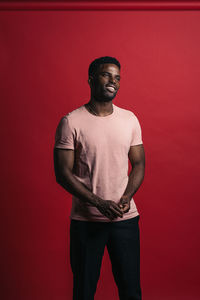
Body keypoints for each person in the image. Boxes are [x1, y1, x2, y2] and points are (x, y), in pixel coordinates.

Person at [53, 56, 145, 300]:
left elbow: (138, 164)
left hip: (125, 220)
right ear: (91, 79)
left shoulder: (130, 119)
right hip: (86, 221)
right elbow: (62, 174)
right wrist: (99, 202)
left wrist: (126, 197)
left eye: (117, 77)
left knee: (131, 289)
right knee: (84, 291)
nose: (112, 81)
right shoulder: (71, 121)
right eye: (106, 75)